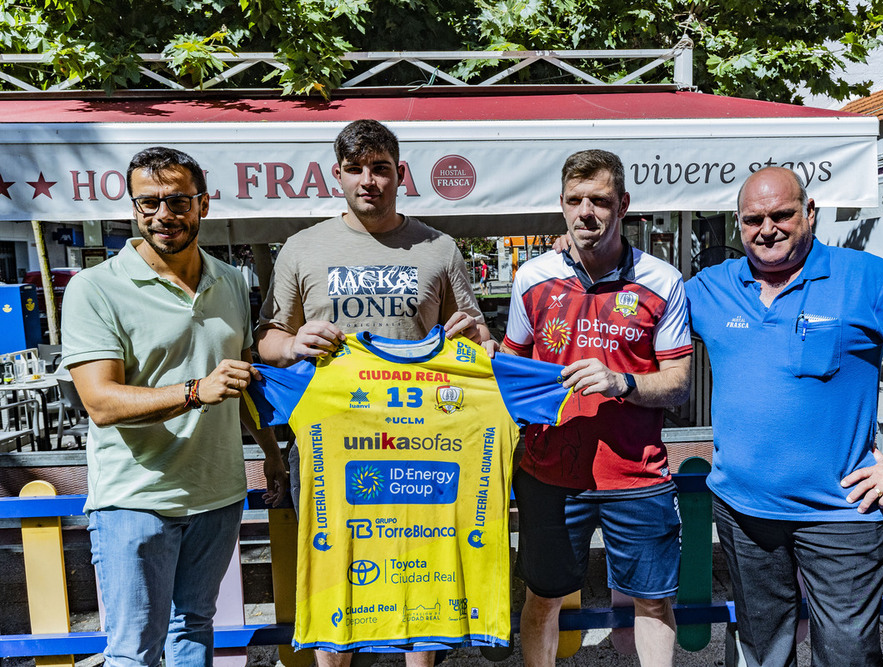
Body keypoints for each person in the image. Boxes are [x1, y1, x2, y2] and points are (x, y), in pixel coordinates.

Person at [685, 166, 883, 667]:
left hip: (841, 516)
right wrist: (577, 257)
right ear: (739, 224)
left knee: (846, 655)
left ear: (810, 214)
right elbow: (637, 319)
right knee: (761, 652)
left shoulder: (868, 278)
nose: (767, 228)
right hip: (743, 511)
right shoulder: (709, 288)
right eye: (753, 219)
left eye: (782, 214)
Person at [256, 118, 489, 667]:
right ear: (336, 175)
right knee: (335, 573)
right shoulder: (301, 248)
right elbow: (264, 340)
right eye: (357, 169)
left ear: (399, 173)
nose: (369, 180)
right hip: (329, 449)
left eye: (380, 168)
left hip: (422, 444)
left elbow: (476, 336)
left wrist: (478, 337)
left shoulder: (439, 247)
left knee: (422, 572)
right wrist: (292, 344)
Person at [61, 146, 287, 667]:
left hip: (217, 493)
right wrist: (193, 391)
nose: (164, 214)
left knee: (194, 630)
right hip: (136, 500)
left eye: (178, 201)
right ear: (133, 209)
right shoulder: (95, 288)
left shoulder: (230, 279)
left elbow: (243, 376)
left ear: (203, 205)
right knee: (134, 651)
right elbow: (100, 401)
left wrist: (272, 453)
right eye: (149, 203)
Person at [500, 149, 693, 667]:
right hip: (550, 473)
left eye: (600, 200)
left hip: (636, 473)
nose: (586, 211)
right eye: (575, 200)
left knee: (653, 601)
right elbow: (510, 372)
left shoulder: (662, 280)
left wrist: (620, 382)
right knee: (543, 597)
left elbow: (678, 385)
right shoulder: (531, 278)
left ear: (623, 204)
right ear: (561, 206)